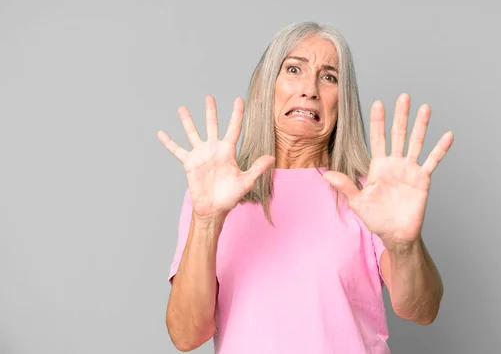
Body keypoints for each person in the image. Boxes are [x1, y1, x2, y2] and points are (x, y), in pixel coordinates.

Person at [156, 21, 454, 353]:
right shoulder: (215, 194)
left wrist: (404, 245)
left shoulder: (367, 195)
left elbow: (421, 310)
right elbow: (186, 335)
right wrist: (208, 220)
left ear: (342, 102)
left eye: (329, 77)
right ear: (265, 87)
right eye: (294, 69)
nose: (310, 89)